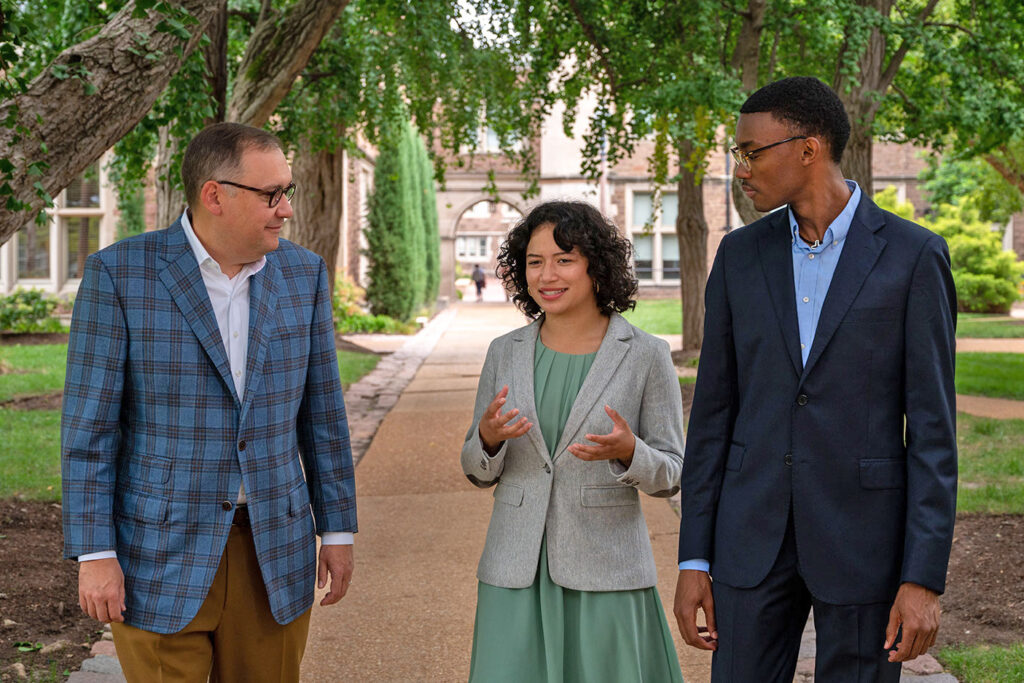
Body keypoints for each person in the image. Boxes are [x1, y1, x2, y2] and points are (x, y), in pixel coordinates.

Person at [674, 77, 957, 682]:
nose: (741, 168)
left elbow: (933, 432)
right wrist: (695, 558)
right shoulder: (738, 256)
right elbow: (713, 416)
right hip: (749, 542)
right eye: (738, 154)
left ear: (809, 148)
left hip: (864, 544)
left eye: (752, 151)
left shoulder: (914, 257)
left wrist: (922, 576)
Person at [61, 122, 357, 682]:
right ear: (214, 195)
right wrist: (94, 554)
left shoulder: (304, 275)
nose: (286, 209)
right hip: (157, 554)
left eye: (286, 191)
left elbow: (322, 417)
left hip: (273, 551)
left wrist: (337, 532)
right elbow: (89, 433)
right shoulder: (119, 276)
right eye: (272, 194)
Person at [461, 200, 686, 682]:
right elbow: (475, 467)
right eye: (535, 262)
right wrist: (488, 439)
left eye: (564, 259)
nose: (547, 275)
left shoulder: (647, 355)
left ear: (596, 266)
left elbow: (671, 474)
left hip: (607, 570)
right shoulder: (505, 352)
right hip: (514, 567)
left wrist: (629, 451)